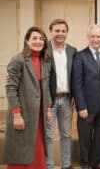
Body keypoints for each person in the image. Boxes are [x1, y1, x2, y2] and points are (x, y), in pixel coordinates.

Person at [3, 26, 52, 168]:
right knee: (21, 151)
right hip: (23, 113)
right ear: (27, 40)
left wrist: (48, 108)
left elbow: (46, 86)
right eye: (34, 38)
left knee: (38, 149)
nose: (38, 41)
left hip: (39, 115)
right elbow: (11, 88)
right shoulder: (18, 59)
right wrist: (17, 115)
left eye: (41, 39)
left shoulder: (45, 61)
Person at [72, 24, 100, 169]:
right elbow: (77, 83)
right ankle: (85, 164)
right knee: (85, 138)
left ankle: (97, 162)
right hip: (86, 106)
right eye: (92, 36)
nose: (95, 39)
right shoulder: (80, 56)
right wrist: (81, 106)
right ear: (88, 38)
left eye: (98, 36)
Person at [46, 19, 77, 169]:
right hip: (49, 101)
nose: (60, 34)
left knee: (66, 135)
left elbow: (76, 77)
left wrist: (75, 96)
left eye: (63, 31)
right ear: (51, 31)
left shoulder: (72, 50)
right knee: (49, 136)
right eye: (57, 31)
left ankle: (66, 165)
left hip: (66, 99)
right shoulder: (43, 49)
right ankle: (49, 166)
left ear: (67, 32)